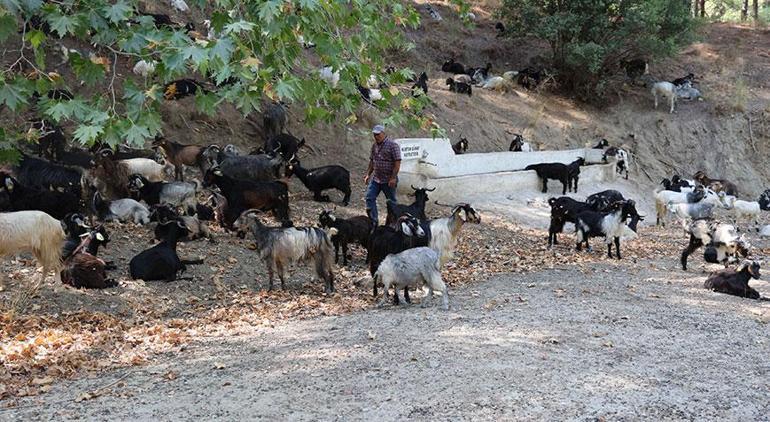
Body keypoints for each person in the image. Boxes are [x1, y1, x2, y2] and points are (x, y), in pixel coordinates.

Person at [364, 124, 401, 227]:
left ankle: (392, 223)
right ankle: (374, 221)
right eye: (374, 135)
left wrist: (393, 178)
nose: (376, 137)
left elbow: (397, 163)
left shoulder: (392, 145)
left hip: (388, 179)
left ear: (384, 133)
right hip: (377, 178)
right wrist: (368, 174)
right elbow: (372, 161)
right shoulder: (374, 146)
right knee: (369, 197)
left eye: (378, 134)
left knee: (391, 202)